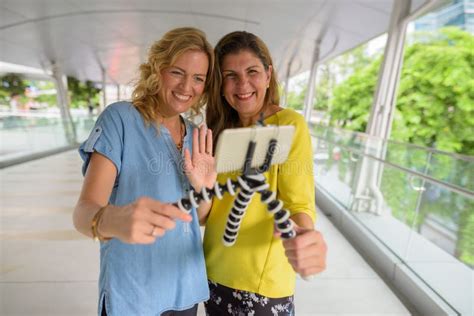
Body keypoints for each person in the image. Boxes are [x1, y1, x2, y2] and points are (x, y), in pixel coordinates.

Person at [73, 27, 216, 316]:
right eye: (177, 72)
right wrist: (112, 219)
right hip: (133, 294)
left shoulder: (196, 137)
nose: (187, 87)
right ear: (157, 69)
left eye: (198, 78)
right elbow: (83, 212)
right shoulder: (120, 120)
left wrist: (203, 188)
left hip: (185, 288)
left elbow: (199, 218)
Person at [203, 31, 327, 315]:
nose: (242, 84)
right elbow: (208, 212)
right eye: (230, 75)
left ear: (268, 75)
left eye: (252, 72)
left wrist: (302, 233)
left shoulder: (288, 124)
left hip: (262, 286)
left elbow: (299, 202)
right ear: (220, 85)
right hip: (212, 274)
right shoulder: (218, 131)